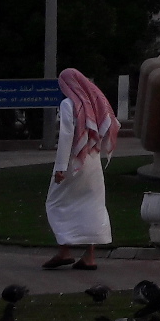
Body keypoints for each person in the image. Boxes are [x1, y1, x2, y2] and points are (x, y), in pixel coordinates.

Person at [44, 68, 118, 270]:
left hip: (74, 162)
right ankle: (90, 255)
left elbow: (67, 136)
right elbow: (112, 123)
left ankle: (64, 250)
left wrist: (60, 168)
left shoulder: (69, 104)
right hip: (93, 161)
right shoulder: (96, 102)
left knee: (55, 202)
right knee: (92, 205)